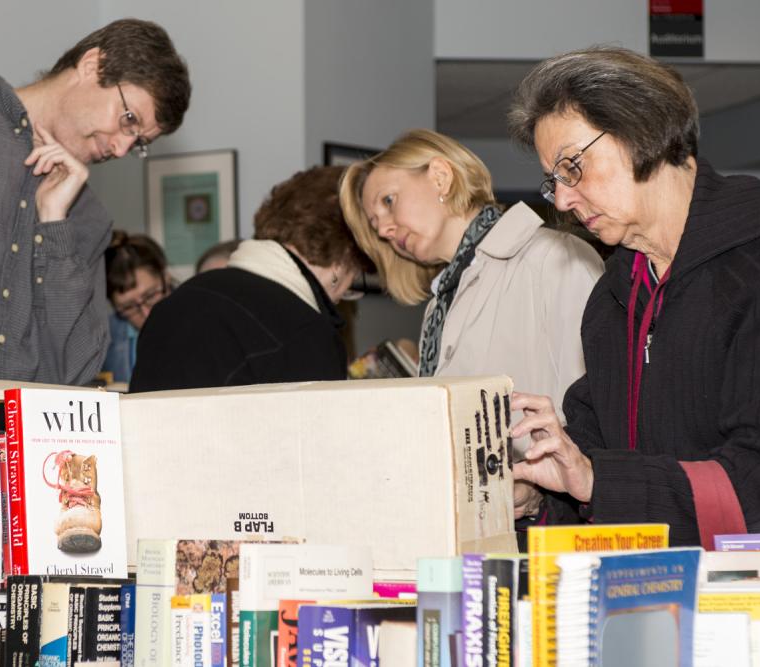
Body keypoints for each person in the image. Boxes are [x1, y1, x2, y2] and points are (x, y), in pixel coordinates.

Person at [506, 46, 760, 546]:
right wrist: (542, 493)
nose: (562, 198)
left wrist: (597, 481)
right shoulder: (612, 298)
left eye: (572, 167)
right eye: (553, 181)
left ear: (643, 129)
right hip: (660, 583)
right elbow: (596, 455)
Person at [0, 18, 191, 385]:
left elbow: (75, 373)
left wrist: (54, 224)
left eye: (139, 142)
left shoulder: (87, 218)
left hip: (12, 422)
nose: (122, 148)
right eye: (129, 120)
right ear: (92, 65)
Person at [339, 129, 602, 455]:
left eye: (388, 201)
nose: (384, 229)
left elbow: (598, 410)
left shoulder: (554, 258)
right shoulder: (442, 300)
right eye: (375, 224)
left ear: (440, 177)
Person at [130, 166, 373, 391]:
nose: (343, 293)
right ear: (344, 258)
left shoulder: (178, 301)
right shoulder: (306, 333)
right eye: (356, 272)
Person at [102, 231, 174, 384]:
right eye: (128, 307)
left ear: (166, 276)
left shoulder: (201, 318)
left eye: (151, 296)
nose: (146, 314)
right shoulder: (103, 342)